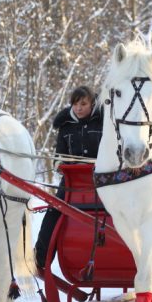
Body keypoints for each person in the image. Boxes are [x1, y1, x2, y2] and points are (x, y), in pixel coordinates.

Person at [34, 85, 103, 270]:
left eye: (83, 103)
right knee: (53, 211)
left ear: (92, 103)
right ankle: (40, 259)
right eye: (75, 104)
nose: (79, 108)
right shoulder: (65, 126)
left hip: (104, 182)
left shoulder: (104, 121)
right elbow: (59, 157)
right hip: (73, 184)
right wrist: (63, 166)